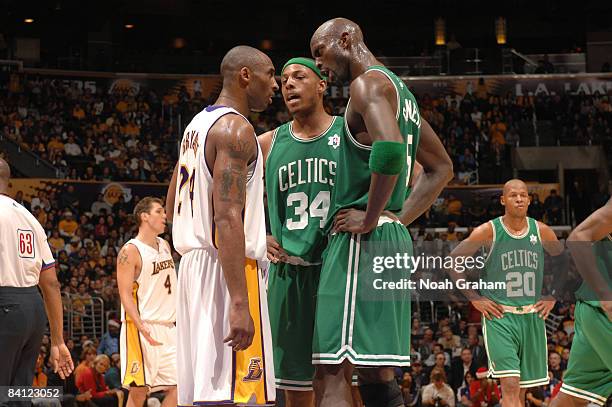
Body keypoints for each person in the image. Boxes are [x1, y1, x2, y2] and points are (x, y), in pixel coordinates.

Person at [310, 18, 453, 407]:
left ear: (344, 39)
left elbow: (389, 151)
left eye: (319, 53)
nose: (318, 64)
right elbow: (441, 168)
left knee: (333, 366)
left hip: (362, 239)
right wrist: (396, 219)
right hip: (390, 238)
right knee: (377, 370)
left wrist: (372, 217)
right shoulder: (401, 92)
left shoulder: (367, 84)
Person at [165, 45, 278, 406]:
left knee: (206, 393)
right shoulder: (235, 130)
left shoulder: (196, 126)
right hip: (226, 270)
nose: (275, 84)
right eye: (270, 74)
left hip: (194, 266)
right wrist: (240, 301)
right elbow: (227, 218)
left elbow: (171, 206)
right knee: (239, 395)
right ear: (246, 75)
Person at [258, 57, 343, 406]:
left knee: (340, 384)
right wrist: (255, 235)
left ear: (322, 84)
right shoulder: (267, 142)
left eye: (299, 76)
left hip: (335, 273)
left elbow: (407, 169)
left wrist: (375, 216)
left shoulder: (348, 134)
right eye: (284, 79)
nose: (288, 84)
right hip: (287, 274)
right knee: (295, 389)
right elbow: (220, 197)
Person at [447, 179, 564, 407]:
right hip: (500, 316)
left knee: (521, 390)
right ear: (503, 200)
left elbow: (563, 261)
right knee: (509, 384)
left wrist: (552, 295)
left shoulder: (541, 231)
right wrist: (475, 298)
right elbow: (453, 262)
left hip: (531, 316)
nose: (519, 198)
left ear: (529, 200)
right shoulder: (488, 231)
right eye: (513, 195)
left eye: (523, 195)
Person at [0, 157, 73, 392]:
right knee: (16, 395)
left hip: (5, 304)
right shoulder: (29, 217)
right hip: (33, 308)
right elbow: (51, 283)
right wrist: (58, 340)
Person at [117, 197, 177, 407]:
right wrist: (140, 325)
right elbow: (124, 294)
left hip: (168, 327)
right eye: (159, 212)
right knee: (139, 391)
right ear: (144, 216)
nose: (165, 216)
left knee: (180, 386)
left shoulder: (165, 245)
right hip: (141, 327)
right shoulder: (130, 251)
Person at [551, 200, 612, 407]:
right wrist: (605, 296)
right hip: (603, 312)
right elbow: (578, 237)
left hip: (593, 312)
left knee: (572, 397)